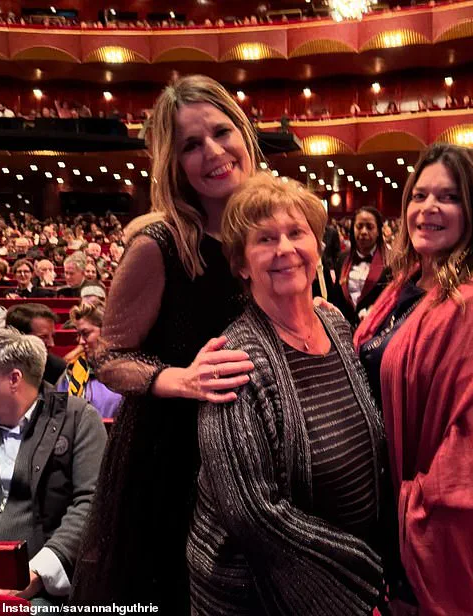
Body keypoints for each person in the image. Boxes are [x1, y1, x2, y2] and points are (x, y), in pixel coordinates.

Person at [70, 74, 260, 614]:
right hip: (172, 462)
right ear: (173, 164)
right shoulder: (159, 244)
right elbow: (106, 356)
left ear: (243, 132)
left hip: (251, 458)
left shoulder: (270, 232)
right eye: (191, 145)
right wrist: (176, 379)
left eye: (221, 132)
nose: (213, 152)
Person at [354, 144, 473, 615]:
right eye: (419, 196)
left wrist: (406, 514)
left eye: (449, 197)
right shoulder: (406, 287)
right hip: (372, 531)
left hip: (414, 560)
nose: (428, 208)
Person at [189, 172, 387, 614]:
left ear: (317, 247)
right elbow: (252, 513)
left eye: (296, 233)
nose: (284, 249)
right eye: (265, 239)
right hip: (262, 594)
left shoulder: (334, 324)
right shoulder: (235, 360)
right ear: (242, 264)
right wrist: (361, 573)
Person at [0, 329, 106, 603]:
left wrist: (37, 573)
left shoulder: (78, 418)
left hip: (44, 586)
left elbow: (91, 502)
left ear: (14, 379)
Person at [56, 303, 122, 419]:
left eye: (86, 333)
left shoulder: (129, 370)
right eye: (79, 335)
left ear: (106, 331)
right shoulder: (71, 372)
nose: (81, 341)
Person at [334, 207, 392, 327]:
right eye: (359, 226)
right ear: (353, 229)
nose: (364, 231)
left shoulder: (390, 261)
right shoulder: (342, 258)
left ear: (378, 231)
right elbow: (337, 298)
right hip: (345, 328)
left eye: (370, 227)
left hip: (377, 329)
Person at [5, 303, 66, 385]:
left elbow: (60, 394)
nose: (52, 344)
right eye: (43, 337)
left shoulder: (58, 368)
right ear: (19, 337)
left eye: (52, 336)